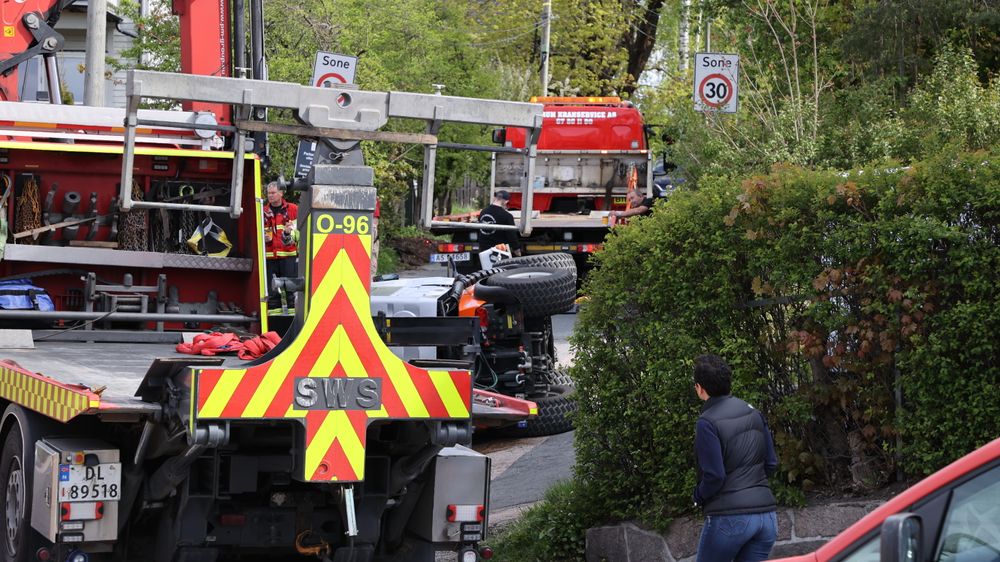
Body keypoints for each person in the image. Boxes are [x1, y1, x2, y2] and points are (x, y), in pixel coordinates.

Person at [693, 354, 778, 562]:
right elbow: (771, 463)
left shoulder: (707, 422)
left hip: (729, 518)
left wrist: (698, 496)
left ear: (699, 388)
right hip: (766, 518)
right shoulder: (754, 413)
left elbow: (715, 476)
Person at [263, 181, 298, 309]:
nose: (270, 196)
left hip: (288, 257)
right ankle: (273, 322)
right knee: (272, 295)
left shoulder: (293, 209)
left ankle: (292, 322)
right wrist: (263, 238)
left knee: (291, 293)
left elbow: (300, 231)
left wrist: (291, 231)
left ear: (281, 193)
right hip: (270, 258)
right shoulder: (263, 211)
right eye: (268, 193)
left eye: (273, 193)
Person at [477, 190, 521, 257]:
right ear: (506, 201)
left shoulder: (483, 212)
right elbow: (512, 236)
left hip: (484, 250)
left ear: (496, 198)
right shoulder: (507, 216)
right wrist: (517, 250)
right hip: (499, 251)